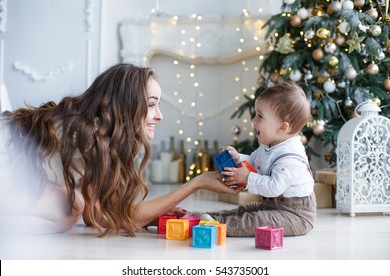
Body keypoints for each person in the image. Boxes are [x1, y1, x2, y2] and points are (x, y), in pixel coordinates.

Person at [0, 63, 238, 237]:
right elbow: (110, 214)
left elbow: (100, 215)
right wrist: (196, 183)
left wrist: (154, 215)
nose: (159, 116)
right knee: (69, 208)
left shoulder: (98, 136)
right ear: (127, 106)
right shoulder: (88, 134)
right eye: (152, 105)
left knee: (74, 205)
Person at [189, 82, 316, 237]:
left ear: (282, 128)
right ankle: (206, 217)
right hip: (272, 206)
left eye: (260, 116)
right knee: (244, 210)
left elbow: (274, 187)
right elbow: (254, 161)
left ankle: (215, 226)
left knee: (256, 220)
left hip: (296, 215)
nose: (253, 121)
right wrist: (239, 157)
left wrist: (247, 178)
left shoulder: (290, 158)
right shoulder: (270, 145)